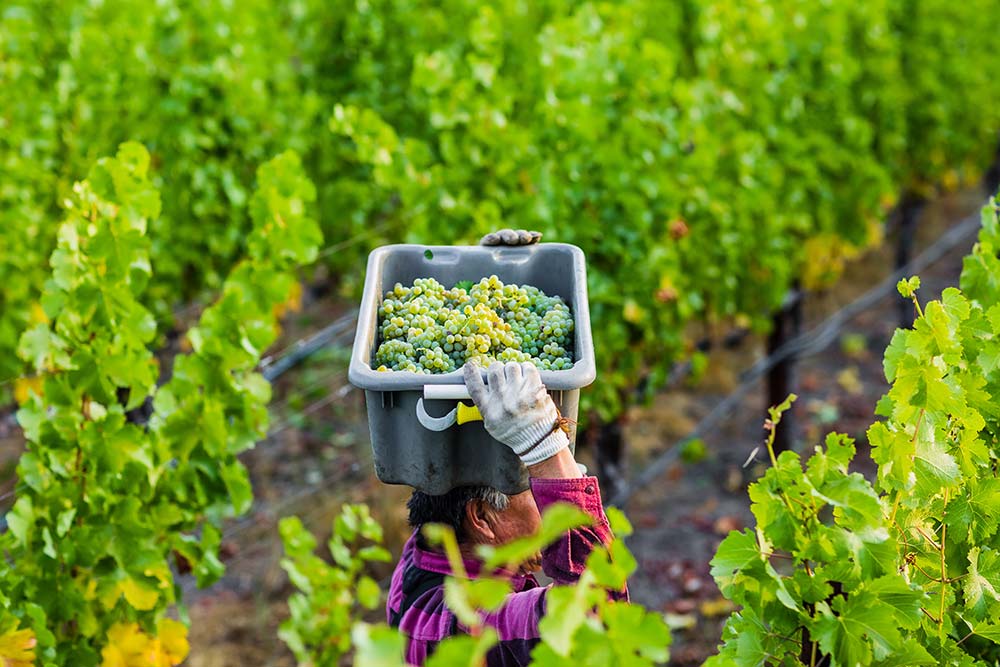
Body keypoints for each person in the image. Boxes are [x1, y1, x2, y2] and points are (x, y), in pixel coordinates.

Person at [387, 360, 628, 665]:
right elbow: (600, 614)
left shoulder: (428, 549)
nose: (548, 505)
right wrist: (542, 448)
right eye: (535, 488)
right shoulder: (467, 627)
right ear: (483, 518)